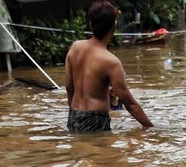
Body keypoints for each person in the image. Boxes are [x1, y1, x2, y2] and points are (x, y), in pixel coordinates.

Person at [64, 0, 153, 132]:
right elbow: (130, 104)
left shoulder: (75, 47)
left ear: (91, 24)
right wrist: (151, 128)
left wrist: (73, 111)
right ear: (113, 27)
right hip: (96, 119)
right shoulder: (111, 62)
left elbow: (69, 88)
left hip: (74, 115)